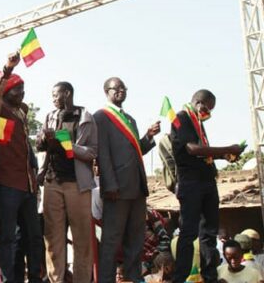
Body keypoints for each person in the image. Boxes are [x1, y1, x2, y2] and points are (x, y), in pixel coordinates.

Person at [94, 77, 161, 283]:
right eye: (117, 88)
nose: (121, 91)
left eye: (124, 88)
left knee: (136, 238)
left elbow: (135, 151)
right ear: (107, 91)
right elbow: (102, 153)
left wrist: (148, 137)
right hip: (117, 188)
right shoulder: (101, 116)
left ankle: (133, 278)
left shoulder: (130, 119)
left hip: (137, 187)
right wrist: (110, 184)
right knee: (112, 240)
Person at [172, 89, 243, 283]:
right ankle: (180, 278)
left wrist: (225, 156)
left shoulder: (198, 124)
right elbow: (193, 149)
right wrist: (227, 148)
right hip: (191, 183)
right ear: (198, 103)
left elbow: (204, 152)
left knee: (209, 233)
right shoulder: (181, 119)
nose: (208, 113)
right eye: (208, 108)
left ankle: (209, 276)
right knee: (188, 234)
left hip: (207, 182)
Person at [0, 53, 44, 283]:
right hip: (7, 183)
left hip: (28, 185)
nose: (21, 93)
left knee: (33, 236)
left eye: (22, 88)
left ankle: (34, 278)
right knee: (8, 238)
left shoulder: (21, 113)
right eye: (16, 89)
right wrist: (7, 69)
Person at [37, 81, 97, 283]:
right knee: (53, 238)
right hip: (53, 182)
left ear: (68, 93)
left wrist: (68, 145)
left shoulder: (85, 117)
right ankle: (56, 280)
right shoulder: (49, 116)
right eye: (52, 95)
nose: (53, 98)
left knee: (82, 240)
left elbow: (92, 152)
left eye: (57, 94)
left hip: (77, 185)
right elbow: (42, 147)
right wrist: (45, 140)